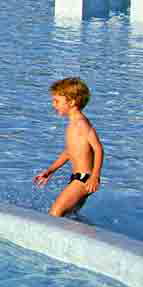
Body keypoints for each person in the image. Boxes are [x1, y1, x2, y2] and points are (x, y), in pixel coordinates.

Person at [33, 77, 103, 217]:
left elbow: (98, 149)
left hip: (84, 180)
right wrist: (50, 170)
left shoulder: (81, 123)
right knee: (68, 217)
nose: (54, 105)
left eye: (57, 101)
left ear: (71, 102)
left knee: (55, 213)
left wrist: (95, 176)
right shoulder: (72, 124)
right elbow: (69, 152)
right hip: (78, 179)